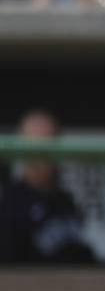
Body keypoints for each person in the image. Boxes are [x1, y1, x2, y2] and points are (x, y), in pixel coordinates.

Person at [0, 110, 94, 265]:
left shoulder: (65, 200)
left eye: (53, 145)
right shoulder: (9, 204)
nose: (47, 155)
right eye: (38, 147)